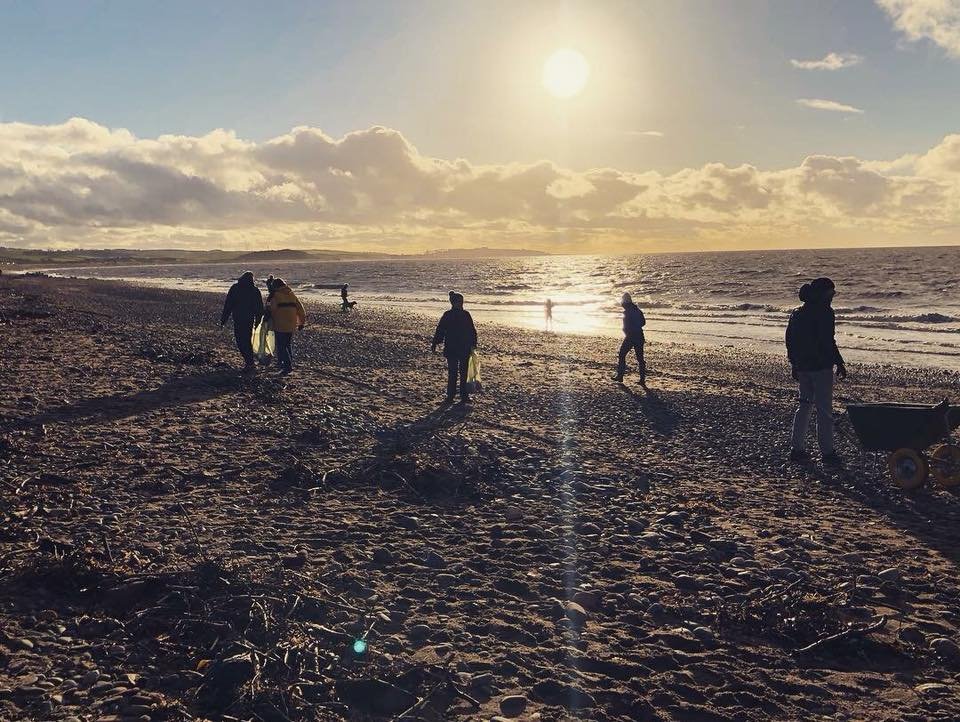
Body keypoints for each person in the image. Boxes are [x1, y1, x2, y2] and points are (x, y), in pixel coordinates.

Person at [786, 277, 847, 465]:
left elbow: (790, 341)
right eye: (831, 293)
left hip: (803, 367)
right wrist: (839, 362)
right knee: (824, 410)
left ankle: (797, 449)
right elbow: (828, 341)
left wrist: (794, 364)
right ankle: (827, 452)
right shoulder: (825, 313)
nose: (832, 297)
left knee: (804, 406)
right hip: (821, 367)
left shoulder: (797, 313)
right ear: (822, 294)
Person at [431, 291, 478, 403]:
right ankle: (459, 396)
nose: (461, 304)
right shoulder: (463, 315)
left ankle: (455, 396)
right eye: (460, 302)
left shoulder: (450, 314)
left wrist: (435, 342)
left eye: (462, 302)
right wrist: (473, 345)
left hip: (455, 347)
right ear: (454, 303)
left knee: (456, 372)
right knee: (459, 372)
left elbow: (440, 330)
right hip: (461, 348)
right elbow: (441, 329)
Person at [220, 271, 264, 370]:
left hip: (239, 319)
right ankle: (250, 362)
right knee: (246, 340)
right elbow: (259, 308)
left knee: (240, 341)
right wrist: (258, 321)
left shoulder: (235, 288)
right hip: (249, 320)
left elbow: (228, 305)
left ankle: (249, 362)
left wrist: (224, 320)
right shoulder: (254, 290)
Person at [267, 278, 306, 375]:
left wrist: (267, 316)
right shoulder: (292, 294)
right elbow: (301, 309)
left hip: (280, 324)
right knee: (287, 344)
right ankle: (283, 363)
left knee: (281, 345)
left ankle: (287, 366)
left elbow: (272, 309)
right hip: (291, 324)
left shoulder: (275, 295)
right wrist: (301, 323)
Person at [613, 292, 646, 386]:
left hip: (631, 336)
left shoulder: (627, 311)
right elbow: (643, 322)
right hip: (639, 335)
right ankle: (642, 379)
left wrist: (627, 331)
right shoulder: (637, 310)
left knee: (622, 354)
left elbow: (626, 326)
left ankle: (620, 376)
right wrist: (636, 327)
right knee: (640, 358)